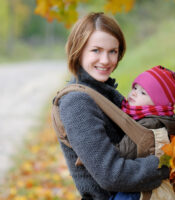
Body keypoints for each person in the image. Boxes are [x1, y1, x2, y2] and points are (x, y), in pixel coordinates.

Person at [57, 12, 169, 200]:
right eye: (96, 50)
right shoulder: (77, 102)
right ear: (78, 50)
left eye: (112, 51)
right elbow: (111, 175)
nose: (106, 60)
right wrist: (169, 163)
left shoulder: (106, 93)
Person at [111, 65, 175, 200]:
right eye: (135, 88)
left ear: (158, 104)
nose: (134, 93)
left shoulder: (148, 125)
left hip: (139, 192)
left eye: (143, 93)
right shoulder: (161, 120)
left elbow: (122, 154)